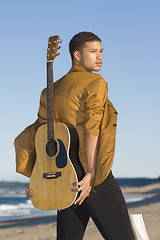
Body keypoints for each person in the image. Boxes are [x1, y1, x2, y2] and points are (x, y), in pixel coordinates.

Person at [16, 32, 135, 239]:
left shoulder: (50, 90)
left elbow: (43, 136)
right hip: (92, 175)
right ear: (77, 55)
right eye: (93, 51)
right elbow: (92, 128)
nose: (100, 56)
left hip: (63, 176)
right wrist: (90, 173)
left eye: (101, 51)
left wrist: (39, 179)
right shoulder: (94, 82)